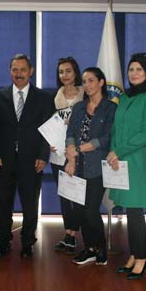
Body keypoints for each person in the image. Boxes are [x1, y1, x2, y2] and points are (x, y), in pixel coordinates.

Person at [0, 54, 55, 258]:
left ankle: (27, 242)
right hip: (4, 160)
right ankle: (3, 241)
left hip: (32, 160)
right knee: (2, 203)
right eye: (15, 70)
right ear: (10, 71)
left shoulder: (44, 98)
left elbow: (48, 129)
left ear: (31, 71)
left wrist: (43, 156)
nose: (18, 74)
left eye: (23, 70)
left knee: (30, 204)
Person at [107, 53, 146, 280]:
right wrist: (112, 153)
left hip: (139, 162)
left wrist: (118, 152)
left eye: (139, 69)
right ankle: (134, 255)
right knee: (129, 211)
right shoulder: (126, 97)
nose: (134, 73)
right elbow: (116, 128)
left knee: (135, 211)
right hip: (120, 161)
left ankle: (142, 259)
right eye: (131, 69)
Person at [64, 67, 116, 265]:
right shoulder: (79, 107)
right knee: (79, 208)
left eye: (91, 80)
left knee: (91, 210)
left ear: (101, 82)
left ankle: (100, 247)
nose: (87, 85)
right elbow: (70, 132)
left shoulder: (110, 108)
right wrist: (71, 157)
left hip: (97, 166)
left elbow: (106, 138)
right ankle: (89, 248)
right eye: (84, 81)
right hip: (77, 165)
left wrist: (79, 149)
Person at [51, 57, 84, 254]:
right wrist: (49, 142)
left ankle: (75, 233)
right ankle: (68, 234)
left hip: (79, 152)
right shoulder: (54, 98)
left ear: (75, 72)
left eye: (68, 71)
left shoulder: (85, 94)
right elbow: (49, 125)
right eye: (61, 72)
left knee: (78, 194)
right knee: (64, 195)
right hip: (57, 154)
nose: (64, 75)